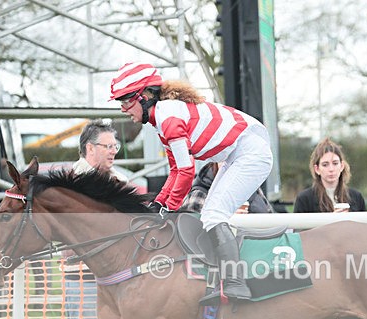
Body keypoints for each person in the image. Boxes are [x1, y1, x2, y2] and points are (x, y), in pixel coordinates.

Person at [110, 62, 273, 305]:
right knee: (210, 213)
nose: (123, 109)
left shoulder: (168, 117)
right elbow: (176, 170)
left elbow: (186, 172)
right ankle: (221, 283)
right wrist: (158, 204)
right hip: (236, 153)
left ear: (143, 96)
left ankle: (236, 284)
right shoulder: (161, 119)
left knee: (214, 213)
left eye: (125, 101)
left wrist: (169, 208)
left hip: (249, 152)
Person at [180, 162, 272, 319]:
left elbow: (270, 219)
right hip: (209, 279)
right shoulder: (200, 189)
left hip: (248, 274)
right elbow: (188, 226)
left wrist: (248, 218)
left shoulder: (252, 188)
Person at [64, 120, 135, 319]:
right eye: (108, 146)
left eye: (115, 146)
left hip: (118, 279)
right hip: (80, 278)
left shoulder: (118, 181)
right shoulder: (69, 184)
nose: (113, 152)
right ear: (89, 148)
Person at [294, 138, 367, 319]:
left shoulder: (356, 197)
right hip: (320, 281)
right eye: (325, 164)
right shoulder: (306, 199)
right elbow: (299, 238)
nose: (330, 169)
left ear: (342, 166)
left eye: (335, 163)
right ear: (316, 168)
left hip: (351, 279)